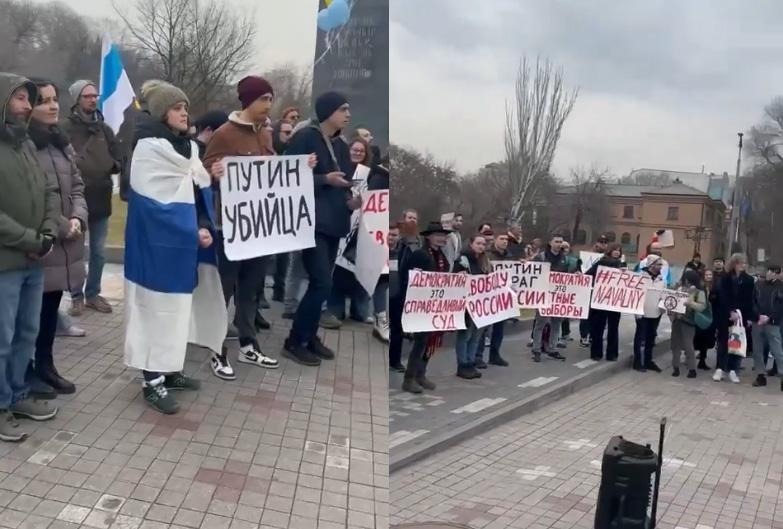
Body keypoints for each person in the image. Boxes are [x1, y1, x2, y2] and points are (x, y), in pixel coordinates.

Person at [124, 80, 227, 414]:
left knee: (178, 309)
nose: (185, 113)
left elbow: (195, 191)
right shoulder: (148, 149)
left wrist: (203, 224)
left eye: (186, 108)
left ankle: (169, 370)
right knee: (153, 310)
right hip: (154, 248)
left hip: (182, 244)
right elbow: (155, 205)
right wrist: (192, 229)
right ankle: (151, 382)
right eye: (177, 108)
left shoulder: (188, 149)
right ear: (161, 113)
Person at [204, 76, 287, 377]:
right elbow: (204, 172)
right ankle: (216, 349)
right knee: (224, 290)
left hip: (259, 227)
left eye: (271, 99)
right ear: (248, 101)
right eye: (264, 99)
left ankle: (249, 345)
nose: (268, 105)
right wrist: (214, 173)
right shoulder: (224, 134)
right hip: (230, 226)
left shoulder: (265, 133)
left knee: (251, 289)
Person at [0, 74, 61, 441]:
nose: (27, 105)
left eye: (29, 99)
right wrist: (30, 239)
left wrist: (47, 234)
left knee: (26, 332)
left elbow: (49, 191)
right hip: (5, 264)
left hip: (33, 261)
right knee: (2, 338)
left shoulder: (25, 145)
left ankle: (16, 394)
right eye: (21, 98)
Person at [282, 91, 359, 366]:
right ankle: (295, 341)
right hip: (312, 222)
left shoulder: (341, 146)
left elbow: (344, 183)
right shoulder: (305, 137)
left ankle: (310, 335)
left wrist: (353, 202)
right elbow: (287, 176)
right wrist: (324, 179)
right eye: (343, 109)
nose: (348, 114)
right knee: (321, 283)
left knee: (323, 285)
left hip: (334, 223)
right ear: (328, 111)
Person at [27, 79, 87, 398]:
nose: (52, 106)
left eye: (54, 99)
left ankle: (46, 365)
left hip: (65, 242)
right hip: (39, 243)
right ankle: (25, 371)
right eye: (43, 101)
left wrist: (78, 217)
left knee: (50, 309)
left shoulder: (61, 142)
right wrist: (63, 226)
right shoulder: (23, 144)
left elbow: (77, 185)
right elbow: (31, 197)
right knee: (29, 316)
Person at [64, 79, 121, 316]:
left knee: (98, 252)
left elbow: (118, 158)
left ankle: (93, 294)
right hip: (76, 199)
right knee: (75, 252)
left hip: (101, 196)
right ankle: (76, 296)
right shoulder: (65, 128)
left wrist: (108, 164)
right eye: (87, 96)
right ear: (77, 99)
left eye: (94, 95)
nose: (92, 99)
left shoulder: (104, 129)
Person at [399, 221, 451, 393]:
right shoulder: (420, 255)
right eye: (438, 235)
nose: (442, 238)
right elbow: (409, 278)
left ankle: (421, 374)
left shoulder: (441, 256)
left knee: (431, 341)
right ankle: (409, 378)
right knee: (420, 342)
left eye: (443, 236)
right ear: (429, 237)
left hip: (435, 305)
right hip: (421, 306)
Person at [453, 235, 492, 378]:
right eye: (478, 243)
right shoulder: (462, 260)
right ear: (470, 243)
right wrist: (459, 275)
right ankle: (462, 365)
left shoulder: (485, 261)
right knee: (465, 335)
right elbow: (453, 278)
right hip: (466, 305)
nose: (481, 246)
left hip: (480, 305)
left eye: (483, 244)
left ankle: (470, 362)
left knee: (476, 336)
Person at [713, 253, 754, 384]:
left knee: (737, 343)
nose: (742, 265)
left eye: (744, 263)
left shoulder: (749, 280)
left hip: (741, 317)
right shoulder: (725, 278)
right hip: (725, 315)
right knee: (723, 342)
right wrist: (730, 311)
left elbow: (749, 300)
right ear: (734, 263)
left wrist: (748, 317)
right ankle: (720, 368)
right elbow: (722, 296)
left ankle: (733, 370)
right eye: (740, 263)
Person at [530, 232, 569, 362]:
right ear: (550, 243)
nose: (559, 244)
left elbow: (569, 275)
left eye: (560, 242)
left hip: (558, 296)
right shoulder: (541, 257)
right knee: (540, 323)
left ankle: (552, 348)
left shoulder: (565, 258)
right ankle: (536, 349)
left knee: (556, 323)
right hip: (544, 294)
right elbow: (532, 272)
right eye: (556, 241)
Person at [586, 243, 624, 361]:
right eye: (615, 250)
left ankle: (611, 354)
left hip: (615, 300)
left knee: (613, 328)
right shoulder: (602, 262)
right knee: (598, 327)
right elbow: (588, 274)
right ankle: (597, 353)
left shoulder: (622, 264)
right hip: (601, 299)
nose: (617, 252)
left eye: (619, 250)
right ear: (610, 251)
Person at [669, 269, 707, 378]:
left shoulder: (699, 292)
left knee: (688, 345)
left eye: (687, 279)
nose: (686, 281)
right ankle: (675, 367)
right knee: (675, 345)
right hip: (677, 319)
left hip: (689, 321)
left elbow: (702, 307)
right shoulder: (679, 289)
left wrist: (690, 303)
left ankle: (692, 369)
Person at [750, 264, 783, 389]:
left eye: (773, 271)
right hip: (758, 321)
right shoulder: (758, 284)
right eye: (768, 270)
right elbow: (753, 301)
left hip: (773, 323)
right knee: (757, 350)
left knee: (777, 351)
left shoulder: (780, 287)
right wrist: (758, 315)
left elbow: (780, 307)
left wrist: (769, 317)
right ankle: (760, 375)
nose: (769, 273)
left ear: (777, 274)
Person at [633, 254, 665, 372]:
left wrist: (663, 305)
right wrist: (637, 312)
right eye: (658, 264)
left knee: (651, 338)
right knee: (640, 338)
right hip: (642, 313)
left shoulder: (661, 279)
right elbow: (635, 295)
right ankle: (637, 362)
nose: (661, 266)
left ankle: (648, 361)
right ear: (651, 265)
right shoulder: (640, 277)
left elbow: (663, 294)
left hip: (656, 313)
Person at [483, 232, 511, 367]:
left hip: (503, 297)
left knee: (499, 328)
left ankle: (495, 355)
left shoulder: (510, 256)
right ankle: (477, 357)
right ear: (495, 240)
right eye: (502, 238)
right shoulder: (487, 255)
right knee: (484, 328)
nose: (505, 241)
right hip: (488, 296)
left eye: (506, 239)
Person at [388, 223, 405, 371]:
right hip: (380, 294)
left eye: (394, 235)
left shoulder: (404, 253)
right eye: (389, 234)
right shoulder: (378, 250)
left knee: (397, 329)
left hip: (397, 296)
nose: (391, 238)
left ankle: (395, 361)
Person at [694, 269, 718, 370]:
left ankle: (702, 359)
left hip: (712, 315)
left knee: (709, 339)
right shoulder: (699, 287)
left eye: (710, 274)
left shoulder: (715, 287)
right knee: (700, 338)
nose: (708, 276)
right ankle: (700, 360)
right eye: (706, 274)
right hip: (701, 316)